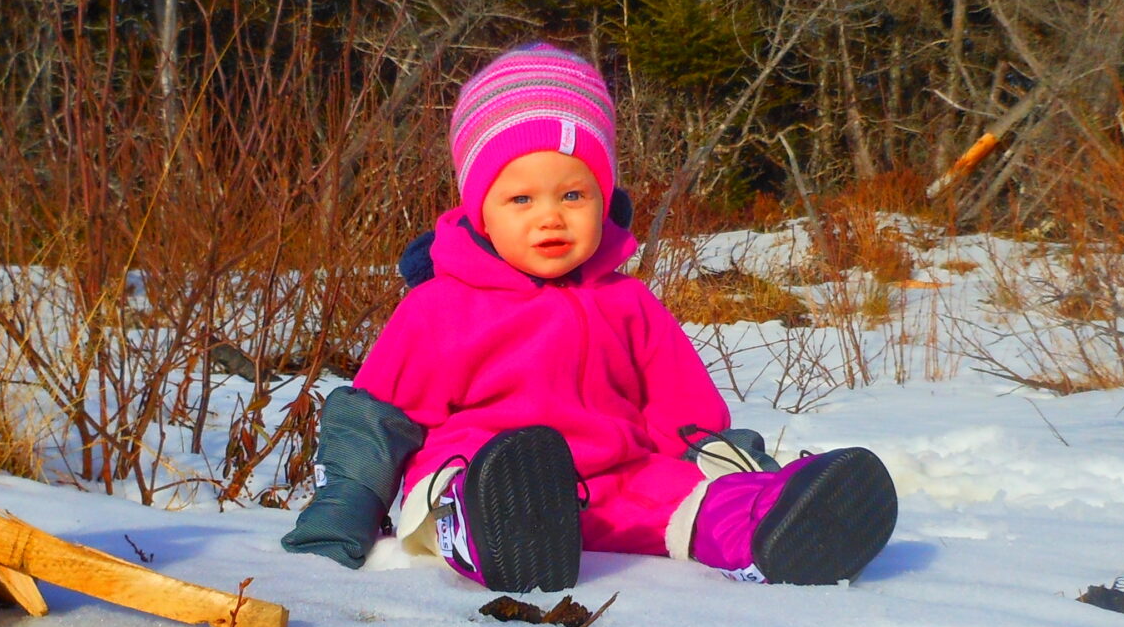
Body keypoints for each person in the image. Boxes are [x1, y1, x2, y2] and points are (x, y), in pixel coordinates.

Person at [283, 42, 897, 592]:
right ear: (480, 212)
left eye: (573, 195)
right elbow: (379, 417)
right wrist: (345, 505)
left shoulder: (627, 303)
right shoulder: (440, 306)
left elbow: (683, 413)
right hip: (476, 473)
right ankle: (495, 539)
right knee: (463, 492)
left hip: (614, 478)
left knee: (688, 501)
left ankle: (776, 526)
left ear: (604, 201)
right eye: (520, 198)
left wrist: (728, 465)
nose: (550, 217)